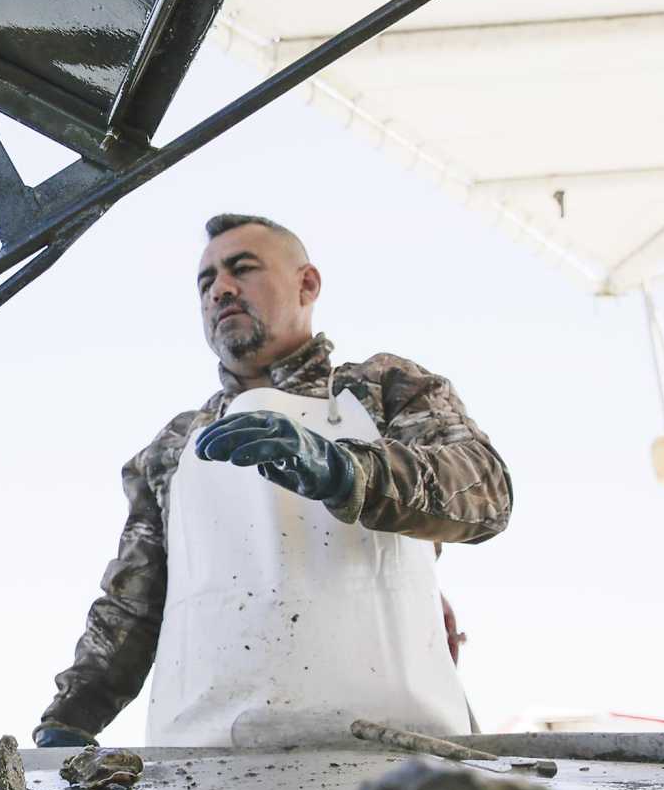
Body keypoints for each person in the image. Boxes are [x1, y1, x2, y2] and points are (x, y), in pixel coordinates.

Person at [33, 214, 512, 749]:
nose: (222, 289)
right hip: (209, 761)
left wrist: (346, 470)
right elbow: (133, 607)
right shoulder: (172, 447)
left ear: (307, 284)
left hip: (395, 751)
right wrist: (70, 717)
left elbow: (486, 492)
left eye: (242, 268)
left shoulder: (382, 390)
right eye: (206, 281)